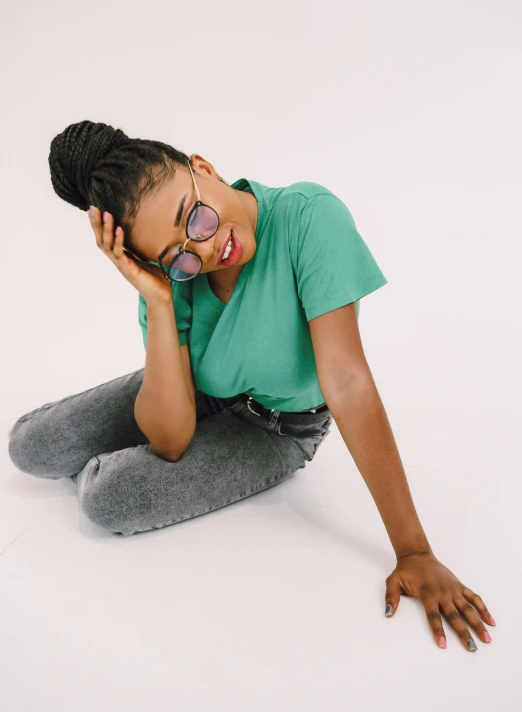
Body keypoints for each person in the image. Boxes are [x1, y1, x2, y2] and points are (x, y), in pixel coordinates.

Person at [7, 120, 495, 652]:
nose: (207, 246)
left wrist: (413, 551)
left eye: (193, 216)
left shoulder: (308, 216)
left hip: (277, 428)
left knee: (107, 500)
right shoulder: (179, 275)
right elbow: (170, 441)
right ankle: (120, 436)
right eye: (175, 254)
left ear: (204, 168)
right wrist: (160, 299)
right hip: (197, 386)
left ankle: (117, 455)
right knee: (31, 446)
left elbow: (348, 382)